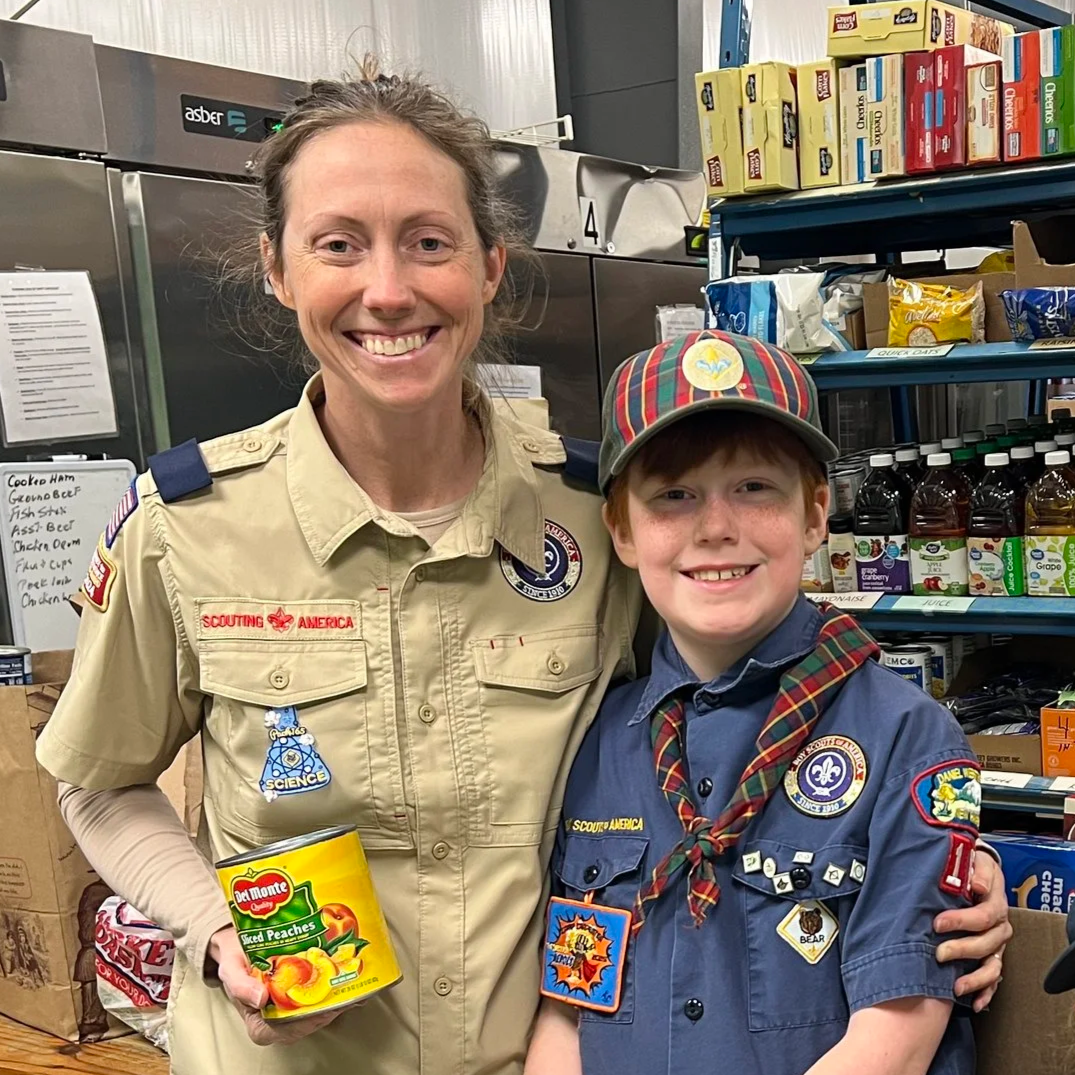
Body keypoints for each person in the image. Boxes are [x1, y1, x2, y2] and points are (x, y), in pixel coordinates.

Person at [36, 63, 1007, 1075]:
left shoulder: (594, 513)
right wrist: (216, 928)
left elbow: (758, 702)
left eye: (428, 242)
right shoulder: (184, 526)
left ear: (489, 267)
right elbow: (99, 784)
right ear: (278, 269)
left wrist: (938, 857)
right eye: (337, 244)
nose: (388, 289)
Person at [526, 331, 1002, 1075]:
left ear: (815, 514)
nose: (716, 526)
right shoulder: (599, 742)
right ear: (620, 529)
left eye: (754, 487)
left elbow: (894, 1040)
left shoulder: (906, 735)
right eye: (673, 495)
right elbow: (565, 1011)